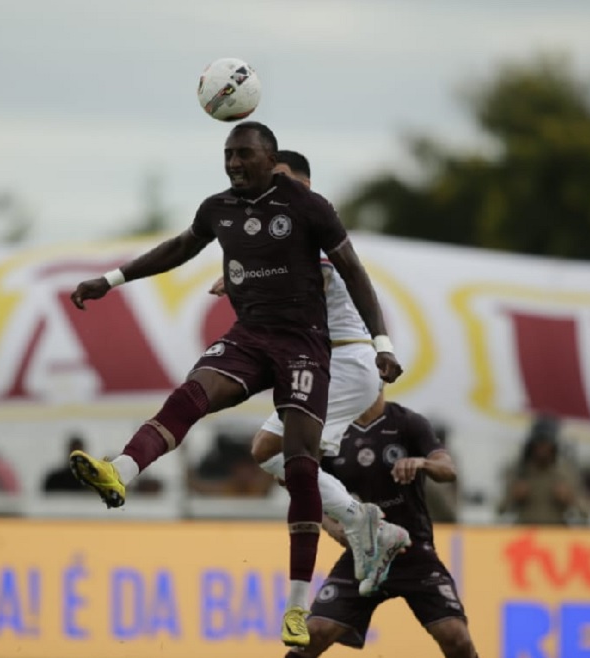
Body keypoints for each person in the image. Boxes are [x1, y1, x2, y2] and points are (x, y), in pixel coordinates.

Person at [67, 121, 403, 647]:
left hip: (313, 351)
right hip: (252, 338)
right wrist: (112, 280)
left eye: (244, 154)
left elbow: (351, 271)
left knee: (298, 463)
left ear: (273, 162)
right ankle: (121, 471)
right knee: (193, 395)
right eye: (228, 154)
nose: (233, 164)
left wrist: (384, 343)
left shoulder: (310, 210)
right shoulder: (221, 207)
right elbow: (181, 246)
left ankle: (301, 602)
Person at [209, 150, 411, 594]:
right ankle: (365, 534)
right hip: (333, 362)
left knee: (275, 452)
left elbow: (312, 282)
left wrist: (247, 277)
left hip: (344, 359)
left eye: (282, 180)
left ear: (304, 185)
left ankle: (364, 523)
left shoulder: (310, 230)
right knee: (280, 458)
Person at [290, 388, 477, 658]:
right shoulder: (333, 431)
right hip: (365, 554)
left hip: (413, 551)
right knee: (314, 633)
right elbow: (309, 491)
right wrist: (332, 527)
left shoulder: (408, 422)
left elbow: (448, 469)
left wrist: (422, 462)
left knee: (456, 638)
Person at [497, 415, 590, 525]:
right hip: (526, 533)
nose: (542, 449)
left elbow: (586, 512)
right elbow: (499, 509)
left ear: (554, 447)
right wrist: (513, 496)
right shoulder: (518, 471)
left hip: (555, 532)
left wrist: (570, 498)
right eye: (539, 444)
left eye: (546, 444)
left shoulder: (566, 472)